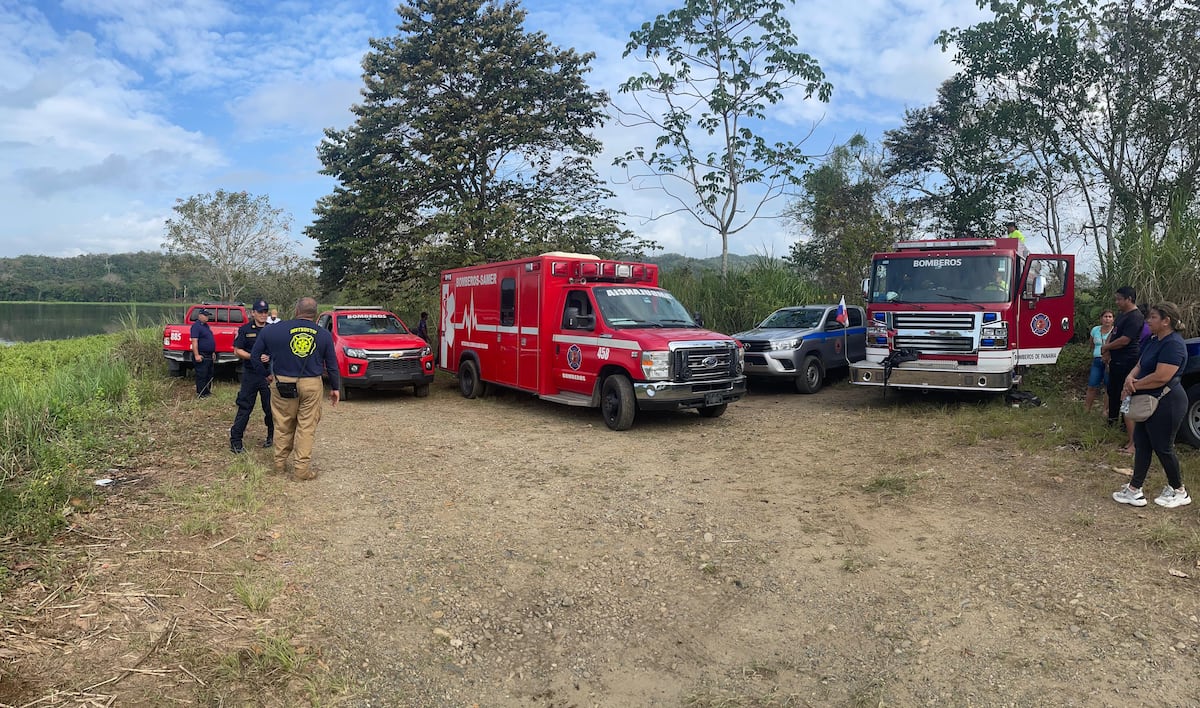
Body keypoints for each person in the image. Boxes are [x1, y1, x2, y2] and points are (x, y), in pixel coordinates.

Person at [249, 297, 340, 481]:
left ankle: (280, 464)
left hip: (282, 382)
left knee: (283, 424)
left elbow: (254, 356)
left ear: (296, 310)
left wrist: (266, 375)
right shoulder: (323, 335)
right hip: (311, 384)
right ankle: (301, 470)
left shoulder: (272, 330)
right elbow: (332, 365)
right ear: (315, 314)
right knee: (307, 427)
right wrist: (335, 388)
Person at [1112, 302, 1191, 508]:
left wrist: (1134, 385)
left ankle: (1179, 490)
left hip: (1167, 401)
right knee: (1142, 443)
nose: (1148, 320)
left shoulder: (1173, 344)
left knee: (1163, 447)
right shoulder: (1153, 340)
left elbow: (1161, 376)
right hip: (1148, 399)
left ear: (1166, 321)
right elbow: (1140, 364)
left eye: (1153, 317)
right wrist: (1129, 378)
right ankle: (1134, 489)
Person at [229, 299, 274, 454]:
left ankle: (271, 437)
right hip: (251, 374)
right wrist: (253, 357)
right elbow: (237, 350)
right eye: (260, 312)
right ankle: (235, 441)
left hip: (268, 376)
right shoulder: (245, 329)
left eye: (265, 312)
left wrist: (270, 357)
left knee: (270, 408)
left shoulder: (271, 329)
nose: (263, 315)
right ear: (253, 313)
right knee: (245, 407)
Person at [1101, 286, 1144, 439]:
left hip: (1128, 360)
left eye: (1119, 299)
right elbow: (1113, 334)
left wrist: (1106, 347)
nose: (1117, 302)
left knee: (1124, 393)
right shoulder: (1121, 315)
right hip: (1116, 360)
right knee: (1112, 391)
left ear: (1129, 299)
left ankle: (1126, 426)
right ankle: (1112, 421)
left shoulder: (1135, 317)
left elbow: (1124, 340)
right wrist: (1106, 350)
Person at [1085, 310, 1115, 413]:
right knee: (1092, 384)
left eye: (1110, 317)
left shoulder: (1115, 331)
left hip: (1109, 361)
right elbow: (1091, 344)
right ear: (1101, 318)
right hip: (1097, 360)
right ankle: (1086, 409)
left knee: (1108, 386)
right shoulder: (1095, 330)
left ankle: (1105, 410)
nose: (1107, 319)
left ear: (1113, 319)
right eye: (1105, 316)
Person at [190, 308, 216, 398]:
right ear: (200, 315)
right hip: (201, 354)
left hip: (209, 354)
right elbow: (194, 341)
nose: (207, 317)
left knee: (209, 374)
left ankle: (207, 392)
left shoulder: (206, 326)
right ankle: (201, 393)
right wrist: (196, 355)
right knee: (202, 375)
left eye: (208, 315)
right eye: (205, 315)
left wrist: (213, 352)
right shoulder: (196, 326)